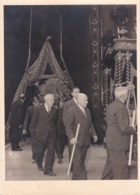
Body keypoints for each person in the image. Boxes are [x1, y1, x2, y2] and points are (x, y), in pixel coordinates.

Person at [101, 86, 136, 180]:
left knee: (110, 168)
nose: (128, 96)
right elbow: (124, 128)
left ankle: (102, 187)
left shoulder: (111, 106)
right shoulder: (121, 107)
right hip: (118, 143)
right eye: (127, 95)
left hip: (111, 141)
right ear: (123, 96)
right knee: (121, 170)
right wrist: (133, 129)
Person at [65, 93, 96, 180]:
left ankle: (74, 181)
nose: (87, 102)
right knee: (78, 163)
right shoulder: (71, 110)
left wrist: (94, 134)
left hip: (85, 141)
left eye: (87, 100)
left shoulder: (88, 111)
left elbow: (90, 124)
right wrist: (71, 138)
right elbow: (68, 126)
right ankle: (84, 182)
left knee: (80, 163)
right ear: (78, 101)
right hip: (76, 142)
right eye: (85, 100)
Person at [30, 94, 58, 176]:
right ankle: (39, 163)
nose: (53, 102)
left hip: (51, 135)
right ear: (46, 100)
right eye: (52, 100)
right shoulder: (38, 109)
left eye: (53, 100)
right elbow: (33, 123)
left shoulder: (55, 110)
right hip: (40, 135)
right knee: (40, 152)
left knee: (51, 152)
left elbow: (54, 123)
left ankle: (48, 170)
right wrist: (34, 135)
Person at [63, 87, 80, 169]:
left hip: (81, 129)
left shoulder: (82, 102)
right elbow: (65, 117)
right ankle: (72, 166)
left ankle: (79, 165)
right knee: (72, 148)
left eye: (79, 92)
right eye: (76, 92)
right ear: (72, 93)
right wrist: (68, 129)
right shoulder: (67, 104)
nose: (77, 93)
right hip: (72, 129)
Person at [22, 97, 40, 163]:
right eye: (35, 102)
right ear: (33, 103)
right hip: (33, 128)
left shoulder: (42, 108)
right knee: (34, 143)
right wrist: (24, 128)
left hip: (41, 129)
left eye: (38, 102)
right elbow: (26, 119)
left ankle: (39, 155)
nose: (37, 103)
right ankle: (34, 157)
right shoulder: (29, 109)